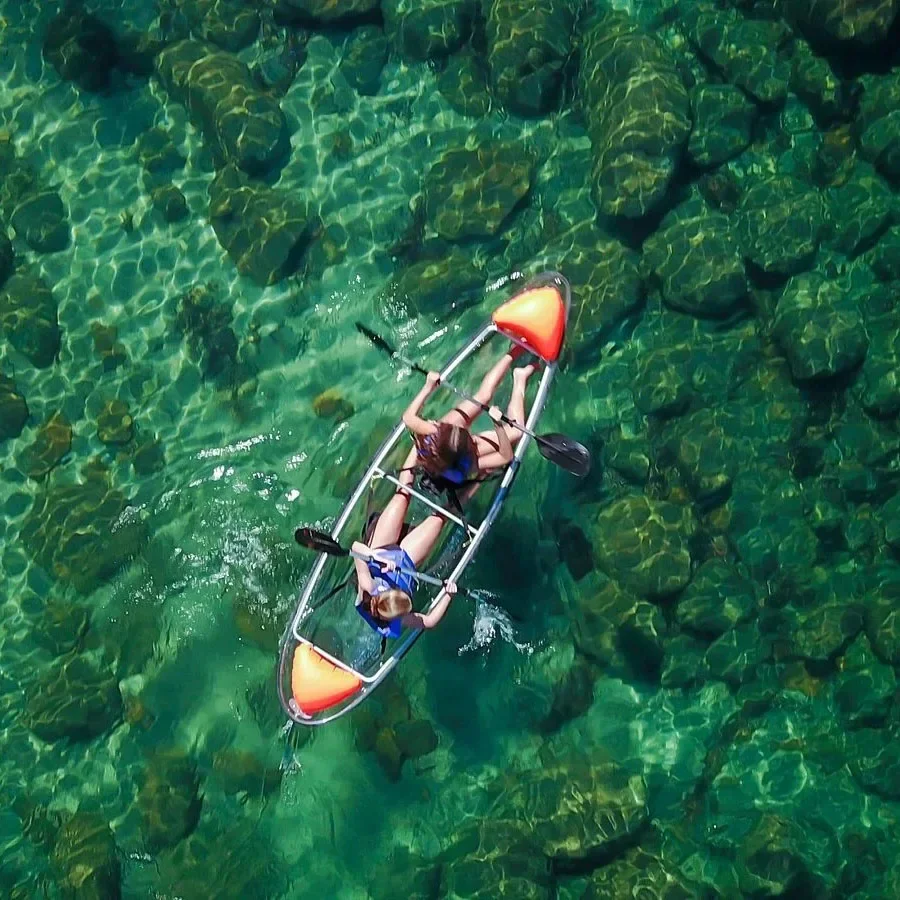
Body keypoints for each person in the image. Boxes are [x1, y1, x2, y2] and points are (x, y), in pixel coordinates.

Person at [402, 345, 538, 490]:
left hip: (445, 438)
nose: (472, 438)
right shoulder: (468, 464)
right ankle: (520, 378)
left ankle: (515, 351)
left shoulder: (433, 431)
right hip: (453, 454)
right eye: (471, 442)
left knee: (483, 397)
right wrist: (497, 424)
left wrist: (428, 387)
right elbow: (505, 457)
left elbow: (408, 417)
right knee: (516, 433)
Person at [351, 459, 459, 637]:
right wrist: (448, 595)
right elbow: (429, 621)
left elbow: (356, 549)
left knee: (403, 494)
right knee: (440, 518)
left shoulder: (367, 586)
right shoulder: (399, 617)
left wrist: (375, 556)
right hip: (406, 559)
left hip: (382, 548)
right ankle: (472, 486)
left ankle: (417, 447)